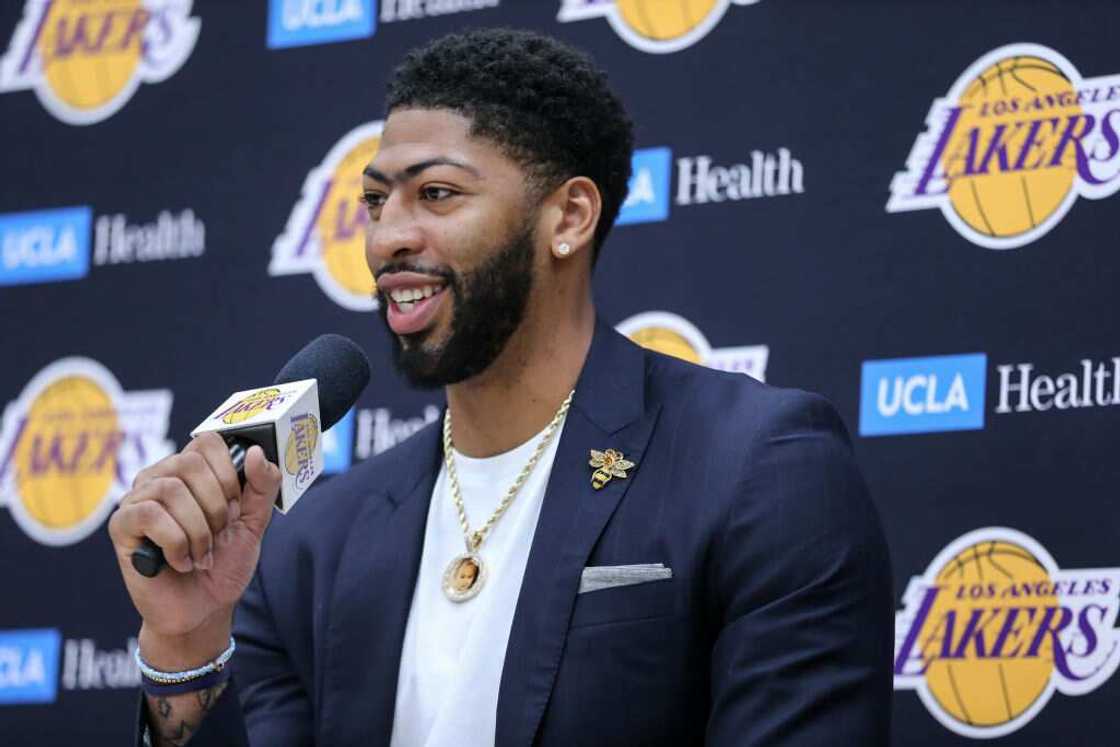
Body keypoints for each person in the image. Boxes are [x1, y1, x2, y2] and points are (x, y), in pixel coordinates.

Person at [108, 28, 893, 747]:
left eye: (437, 194)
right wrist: (187, 642)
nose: (388, 237)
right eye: (377, 201)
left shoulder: (760, 466)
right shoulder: (318, 545)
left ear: (569, 217)